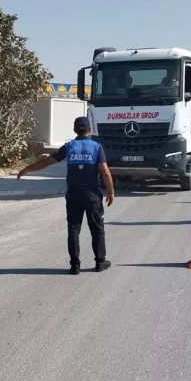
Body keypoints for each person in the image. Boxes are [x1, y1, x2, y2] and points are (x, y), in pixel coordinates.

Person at [17, 116, 114, 275]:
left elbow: (47, 162)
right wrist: (110, 191)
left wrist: (27, 169)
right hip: (92, 196)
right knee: (97, 229)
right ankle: (100, 262)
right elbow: (105, 171)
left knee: (73, 230)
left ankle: (75, 266)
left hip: (73, 195)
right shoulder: (96, 147)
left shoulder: (69, 147)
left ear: (75, 130)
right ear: (89, 130)